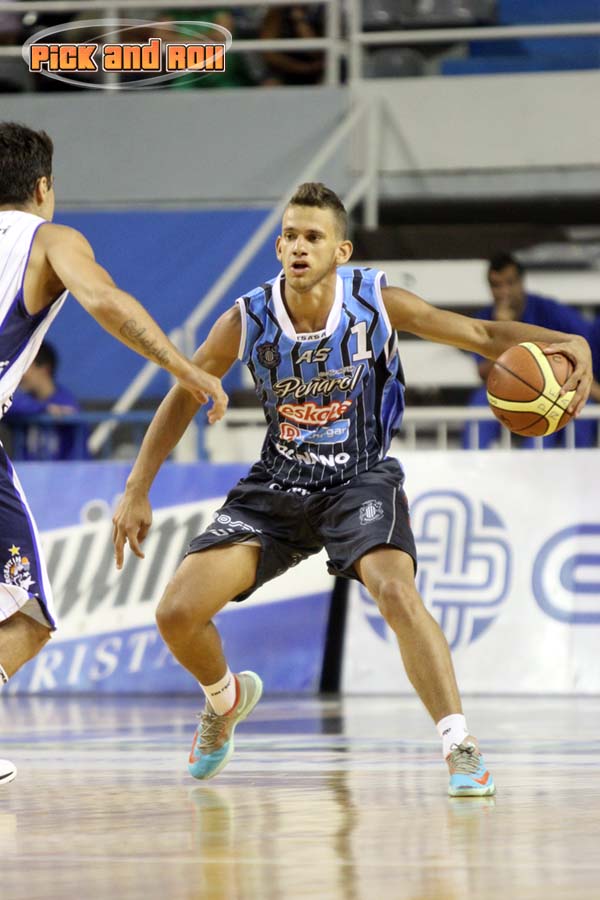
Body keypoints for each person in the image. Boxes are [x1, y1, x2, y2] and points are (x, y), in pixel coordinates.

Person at [112, 183, 592, 797]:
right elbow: (185, 393)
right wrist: (137, 487)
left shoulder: (376, 302)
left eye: (313, 237)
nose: (298, 247)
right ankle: (224, 700)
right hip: (278, 484)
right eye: (290, 236)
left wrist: (566, 342)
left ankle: (460, 746)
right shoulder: (247, 318)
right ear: (278, 247)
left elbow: (477, 333)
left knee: (396, 591)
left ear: (341, 252)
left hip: (360, 479)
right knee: (176, 614)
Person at [0, 121, 227, 785]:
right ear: (44, 187)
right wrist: (183, 367)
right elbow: (103, 299)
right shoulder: (50, 240)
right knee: (29, 616)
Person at [463, 252, 600, 448]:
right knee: (480, 402)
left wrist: (588, 385)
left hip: (561, 385)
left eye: (510, 283)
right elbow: (485, 374)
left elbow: (584, 343)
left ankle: (575, 465)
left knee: (579, 407)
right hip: (510, 387)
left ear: (521, 282)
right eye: (496, 285)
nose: (504, 292)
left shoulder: (548, 309)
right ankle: (470, 462)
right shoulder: (486, 318)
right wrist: (502, 329)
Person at [4, 341, 88, 460]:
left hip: (59, 470)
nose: (21, 374)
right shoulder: (22, 401)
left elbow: (79, 453)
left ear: (44, 369)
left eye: (25, 367)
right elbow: (6, 405)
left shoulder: (67, 403)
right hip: (24, 470)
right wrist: (44, 409)